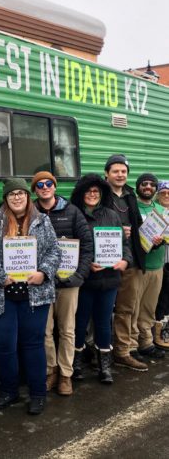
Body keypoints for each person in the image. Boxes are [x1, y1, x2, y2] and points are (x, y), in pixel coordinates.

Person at [0, 178, 61, 415]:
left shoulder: (42, 221)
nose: (16, 197)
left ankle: (37, 394)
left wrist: (43, 273)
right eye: (11, 194)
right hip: (0, 294)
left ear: (27, 196)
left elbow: (55, 251)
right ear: (5, 198)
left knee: (33, 345)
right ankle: (9, 391)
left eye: (20, 193)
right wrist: (0, 275)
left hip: (33, 295)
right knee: (3, 346)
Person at [32, 171, 93, 396]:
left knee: (67, 330)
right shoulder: (30, 212)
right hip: (41, 282)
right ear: (35, 189)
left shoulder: (72, 212)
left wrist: (79, 276)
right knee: (44, 331)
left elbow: (87, 246)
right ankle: (51, 371)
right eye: (40, 185)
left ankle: (66, 375)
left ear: (55, 187)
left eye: (49, 183)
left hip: (69, 282)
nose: (45, 187)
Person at [70, 174, 131, 384]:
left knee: (104, 322)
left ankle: (104, 366)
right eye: (88, 191)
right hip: (85, 279)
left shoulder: (112, 215)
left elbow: (124, 245)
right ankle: (75, 363)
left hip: (109, 278)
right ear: (81, 193)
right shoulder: (74, 215)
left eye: (96, 191)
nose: (92, 195)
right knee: (80, 322)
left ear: (101, 193)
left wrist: (125, 261)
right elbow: (68, 248)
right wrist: (85, 265)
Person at [104, 154, 148, 371]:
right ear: (107, 174)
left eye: (123, 171)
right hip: (105, 259)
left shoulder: (130, 195)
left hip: (129, 258)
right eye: (115, 171)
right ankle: (99, 352)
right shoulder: (100, 193)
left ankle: (123, 351)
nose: (120, 175)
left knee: (126, 306)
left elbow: (138, 224)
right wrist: (116, 230)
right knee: (101, 309)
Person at [130, 173, 165, 360]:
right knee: (133, 307)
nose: (148, 187)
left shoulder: (161, 209)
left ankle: (146, 342)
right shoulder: (132, 207)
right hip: (138, 265)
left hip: (157, 265)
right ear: (138, 186)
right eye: (144, 184)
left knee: (149, 308)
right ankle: (132, 345)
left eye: (152, 184)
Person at [153, 180, 169, 350]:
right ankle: (158, 333)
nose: (166, 195)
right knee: (161, 298)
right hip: (159, 259)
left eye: (168, 193)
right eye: (163, 192)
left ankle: (165, 330)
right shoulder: (154, 211)